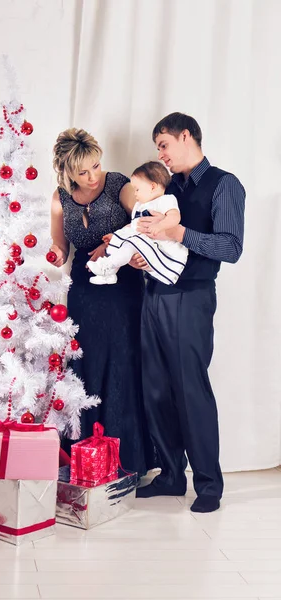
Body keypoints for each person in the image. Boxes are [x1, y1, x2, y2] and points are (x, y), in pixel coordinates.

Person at [135, 112, 245, 512]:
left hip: (192, 298)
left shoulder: (224, 184)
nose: (160, 154)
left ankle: (209, 486)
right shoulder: (166, 188)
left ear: (187, 136)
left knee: (190, 390)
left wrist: (179, 233)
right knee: (156, 389)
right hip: (153, 295)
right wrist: (139, 258)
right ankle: (169, 475)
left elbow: (231, 248)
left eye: (163, 144)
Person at [50, 127, 154, 477]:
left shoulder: (119, 184)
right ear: (68, 173)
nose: (94, 176)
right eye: (84, 171)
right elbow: (61, 248)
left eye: (96, 165)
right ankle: (83, 459)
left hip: (121, 287)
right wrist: (49, 256)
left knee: (122, 362)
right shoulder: (60, 198)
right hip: (84, 289)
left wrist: (115, 247)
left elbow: (144, 221)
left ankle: (127, 461)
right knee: (85, 365)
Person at [87, 161, 188, 285]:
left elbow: (174, 217)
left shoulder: (166, 200)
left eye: (137, 189)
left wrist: (160, 225)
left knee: (129, 245)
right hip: (143, 240)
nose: (134, 194)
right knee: (122, 243)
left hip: (162, 245)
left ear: (152, 187)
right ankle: (110, 273)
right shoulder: (140, 206)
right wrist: (117, 235)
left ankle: (108, 266)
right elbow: (134, 226)